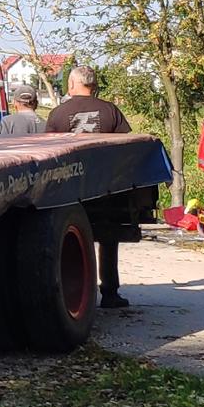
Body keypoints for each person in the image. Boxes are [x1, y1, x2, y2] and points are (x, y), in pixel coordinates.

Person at [47, 65, 131, 307]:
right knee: (108, 238)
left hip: (68, 189)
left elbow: (47, 150)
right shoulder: (110, 111)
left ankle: (73, 296)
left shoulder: (58, 114)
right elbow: (127, 145)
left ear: (72, 85)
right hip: (105, 187)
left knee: (68, 240)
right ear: (93, 86)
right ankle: (110, 293)